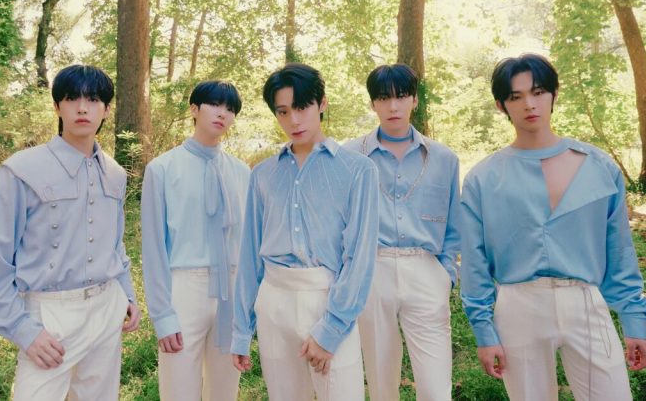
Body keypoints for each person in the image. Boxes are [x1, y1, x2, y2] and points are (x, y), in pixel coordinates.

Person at [460, 53, 646, 401]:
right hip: (518, 305)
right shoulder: (483, 179)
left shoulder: (598, 166)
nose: (529, 104)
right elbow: (474, 262)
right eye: (516, 96)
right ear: (501, 106)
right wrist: (484, 331)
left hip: (585, 301)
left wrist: (634, 319)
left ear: (554, 94)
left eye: (538, 92)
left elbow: (619, 249)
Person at [0, 64, 140, 400]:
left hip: (106, 309)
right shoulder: (21, 170)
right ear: (57, 106)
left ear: (107, 109)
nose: (82, 108)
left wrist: (127, 294)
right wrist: (21, 328)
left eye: (93, 99)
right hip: (48, 316)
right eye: (72, 98)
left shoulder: (115, 174)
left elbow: (114, 244)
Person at [230, 63, 379, 400]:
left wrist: (332, 329)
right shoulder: (263, 174)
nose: (293, 120)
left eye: (301, 107)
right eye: (283, 111)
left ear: (321, 103)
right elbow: (250, 254)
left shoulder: (358, 170)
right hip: (274, 300)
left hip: (327, 298)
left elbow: (359, 256)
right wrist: (241, 330)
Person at [343, 63, 461, 401]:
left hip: (426, 268)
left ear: (415, 100)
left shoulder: (443, 158)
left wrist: (445, 274)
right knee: (382, 382)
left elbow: (454, 224)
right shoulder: (349, 155)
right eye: (383, 98)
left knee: (436, 386)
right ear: (373, 104)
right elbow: (338, 220)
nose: (393, 106)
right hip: (372, 270)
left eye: (402, 96)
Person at [141, 80, 249, 401]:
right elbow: (154, 248)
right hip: (184, 289)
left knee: (224, 391)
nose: (222, 113)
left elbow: (248, 247)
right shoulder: (162, 169)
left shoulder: (242, 172)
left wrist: (246, 313)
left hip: (230, 290)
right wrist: (162, 315)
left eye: (230, 109)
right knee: (178, 391)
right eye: (215, 104)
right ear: (194, 109)